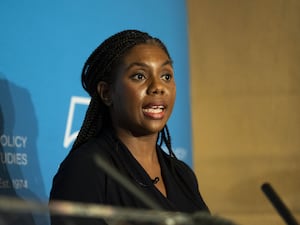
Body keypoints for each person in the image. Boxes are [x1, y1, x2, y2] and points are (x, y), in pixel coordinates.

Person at [49, 29, 209, 225]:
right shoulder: (85, 170)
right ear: (107, 93)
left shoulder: (182, 174)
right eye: (139, 76)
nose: (158, 87)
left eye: (166, 76)